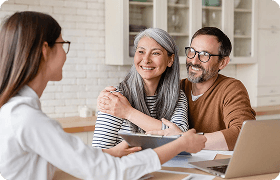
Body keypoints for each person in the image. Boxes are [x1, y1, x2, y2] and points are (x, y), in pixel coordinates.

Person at [0, 11, 206, 180]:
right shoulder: (27, 118)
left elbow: (57, 166)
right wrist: (180, 143)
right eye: (63, 44)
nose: (65, 53)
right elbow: (106, 171)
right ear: (45, 50)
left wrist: (106, 154)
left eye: (156, 53)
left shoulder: (19, 113)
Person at [148, 27, 256, 151]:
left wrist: (184, 140)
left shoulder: (231, 88)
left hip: (217, 166)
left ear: (223, 62)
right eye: (192, 51)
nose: (194, 60)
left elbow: (243, 134)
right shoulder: (177, 88)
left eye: (205, 55)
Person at [92, 28, 189, 149]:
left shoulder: (177, 96)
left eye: (155, 53)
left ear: (170, 59)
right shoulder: (116, 98)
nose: (146, 60)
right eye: (141, 51)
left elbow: (180, 137)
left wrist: (128, 112)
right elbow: (99, 152)